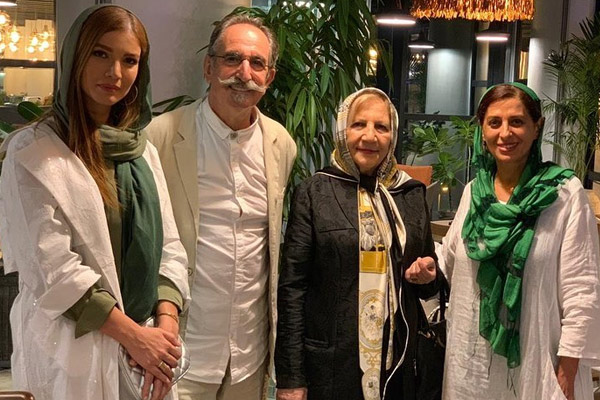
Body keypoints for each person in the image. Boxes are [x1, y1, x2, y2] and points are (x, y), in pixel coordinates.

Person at [0, 5, 190, 400]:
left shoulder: (142, 151)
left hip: (146, 350)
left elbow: (169, 246)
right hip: (72, 348)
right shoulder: (31, 152)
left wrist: (165, 332)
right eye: (100, 54)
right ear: (76, 56)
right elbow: (53, 269)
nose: (115, 72)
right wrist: (135, 337)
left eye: (129, 60)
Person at [146, 13, 297, 400]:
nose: (244, 73)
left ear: (269, 77)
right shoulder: (161, 137)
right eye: (232, 59)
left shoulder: (281, 144)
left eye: (257, 63)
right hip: (180, 350)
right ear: (209, 67)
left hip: (249, 357)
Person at [275, 87, 444, 400]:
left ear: (392, 136)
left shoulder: (410, 194)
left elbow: (429, 278)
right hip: (332, 366)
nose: (370, 136)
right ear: (343, 129)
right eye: (359, 125)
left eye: (381, 127)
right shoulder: (315, 193)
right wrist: (290, 377)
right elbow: (292, 290)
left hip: (398, 364)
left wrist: (428, 277)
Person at [439, 83, 600, 400]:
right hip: (470, 365)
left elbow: (582, 288)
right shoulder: (474, 192)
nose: (505, 133)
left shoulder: (563, 194)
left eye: (517, 121)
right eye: (494, 122)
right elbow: (451, 261)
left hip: (536, 365)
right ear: (482, 130)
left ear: (536, 127)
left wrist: (567, 371)